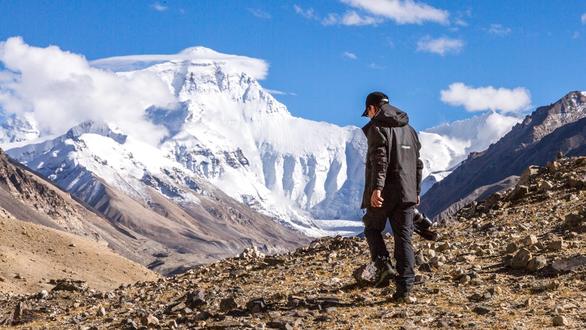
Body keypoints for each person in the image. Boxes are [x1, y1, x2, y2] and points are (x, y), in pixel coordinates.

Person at [360, 91, 423, 302]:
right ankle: (405, 289)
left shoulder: (378, 128)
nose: (368, 117)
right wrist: (417, 191)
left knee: (372, 228)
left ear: (372, 108)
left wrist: (376, 189)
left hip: (385, 192)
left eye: (367, 112)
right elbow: (418, 163)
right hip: (407, 192)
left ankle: (383, 266)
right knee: (403, 238)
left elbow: (380, 160)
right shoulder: (411, 130)